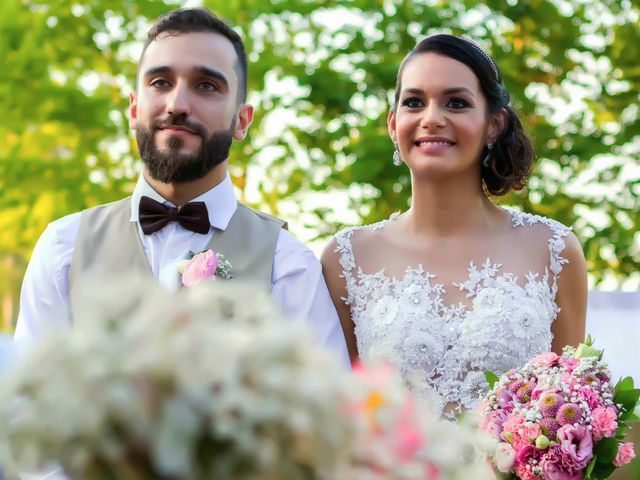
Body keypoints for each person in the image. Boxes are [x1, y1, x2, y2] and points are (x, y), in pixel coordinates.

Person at [15, 7, 349, 368]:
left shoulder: (288, 266)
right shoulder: (63, 249)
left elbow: (323, 417)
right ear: (133, 109)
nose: (177, 105)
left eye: (207, 86)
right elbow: (24, 407)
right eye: (160, 82)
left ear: (241, 120)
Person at [322, 34, 587, 417]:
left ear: (494, 124)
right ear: (394, 124)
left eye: (456, 103)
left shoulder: (554, 250)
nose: (431, 118)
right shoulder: (345, 259)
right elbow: (339, 418)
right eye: (414, 102)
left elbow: (571, 419)